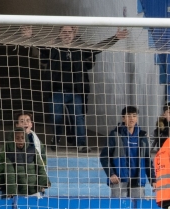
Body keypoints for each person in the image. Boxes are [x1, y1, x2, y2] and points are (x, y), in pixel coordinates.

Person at [42, 25, 128, 153]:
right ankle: (56, 138)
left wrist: (114, 38)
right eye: (64, 32)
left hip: (76, 91)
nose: (67, 34)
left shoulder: (80, 49)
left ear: (74, 34)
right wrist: (30, 36)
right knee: (57, 118)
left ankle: (81, 144)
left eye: (69, 32)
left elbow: (98, 48)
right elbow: (38, 47)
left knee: (79, 118)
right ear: (59, 34)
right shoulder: (53, 48)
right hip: (56, 91)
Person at [100, 106, 154, 198]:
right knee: (118, 208)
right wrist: (111, 174)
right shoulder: (115, 134)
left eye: (134, 115)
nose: (131, 118)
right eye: (128, 115)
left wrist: (153, 179)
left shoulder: (142, 136)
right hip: (119, 179)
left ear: (137, 118)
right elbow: (104, 157)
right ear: (123, 118)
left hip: (137, 180)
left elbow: (147, 160)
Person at [0, 127, 50, 198]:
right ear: (12, 140)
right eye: (17, 138)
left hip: (34, 190)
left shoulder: (33, 151)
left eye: (22, 138)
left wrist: (44, 183)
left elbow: (40, 168)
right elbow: (10, 174)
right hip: (18, 192)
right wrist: (11, 191)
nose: (20, 140)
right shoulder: (9, 154)